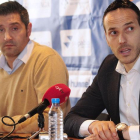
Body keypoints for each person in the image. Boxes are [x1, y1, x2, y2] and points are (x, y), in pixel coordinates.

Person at [64, 0, 140, 139]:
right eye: (113, 32)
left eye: (129, 29)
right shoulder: (109, 67)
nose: (121, 40)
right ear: (106, 38)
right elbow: (71, 120)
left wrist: (120, 133)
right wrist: (94, 126)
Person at [0, 1, 71, 133]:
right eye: (0, 29)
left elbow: (49, 119)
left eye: (14, 28)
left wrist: (2, 125)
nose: (7, 37)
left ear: (28, 30)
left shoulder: (46, 59)